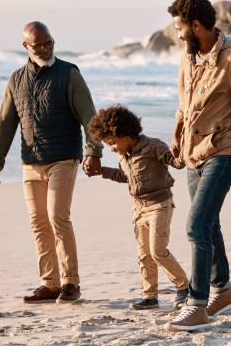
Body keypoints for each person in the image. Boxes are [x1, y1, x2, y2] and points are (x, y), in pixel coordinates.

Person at [164, 0, 231, 331]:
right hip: (195, 152)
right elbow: (184, 104)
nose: (179, 35)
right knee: (209, 224)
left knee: (195, 225)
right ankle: (222, 290)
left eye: (181, 28)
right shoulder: (189, 58)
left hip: (226, 151)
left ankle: (197, 304)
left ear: (196, 25)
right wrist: (177, 139)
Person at [0, 21, 102, 304]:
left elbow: (89, 116)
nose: (44, 48)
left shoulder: (69, 74)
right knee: (38, 222)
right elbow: (6, 121)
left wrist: (94, 151)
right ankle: (50, 283)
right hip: (31, 162)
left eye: (48, 42)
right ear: (26, 47)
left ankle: (71, 283)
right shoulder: (16, 80)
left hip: (63, 157)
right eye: (38, 45)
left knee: (57, 217)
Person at [87, 105, 189, 310]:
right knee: (144, 255)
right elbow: (124, 177)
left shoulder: (153, 146)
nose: (112, 148)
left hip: (160, 205)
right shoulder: (124, 155)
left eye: (112, 143)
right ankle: (150, 296)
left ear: (125, 134)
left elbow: (177, 162)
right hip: (139, 209)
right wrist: (101, 171)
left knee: (158, 251)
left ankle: (184, 286)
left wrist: (181, 140)